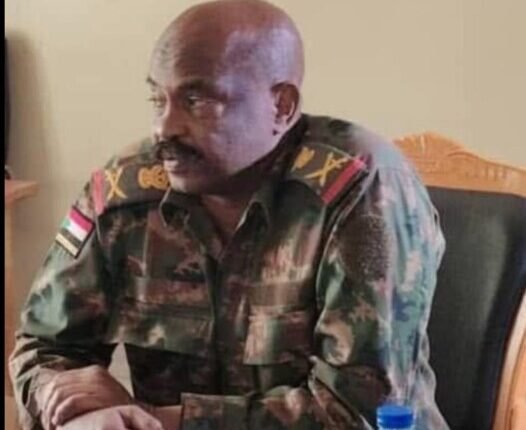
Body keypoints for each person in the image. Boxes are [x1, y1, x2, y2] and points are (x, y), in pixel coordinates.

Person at [9, 0, 450, 429]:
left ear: (281, 106)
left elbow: (361, 412)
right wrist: (71, 404)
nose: (164, 127)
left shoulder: (362, 192)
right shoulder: (125, 193)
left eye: (196, 100)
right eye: (157, 99)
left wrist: (152, 421)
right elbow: (42, 346)